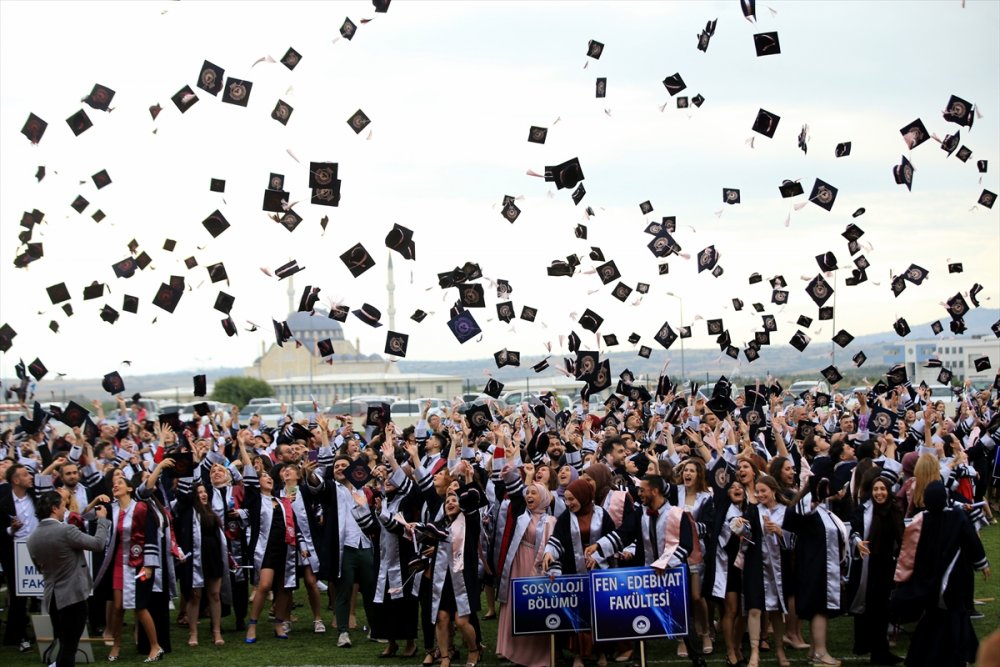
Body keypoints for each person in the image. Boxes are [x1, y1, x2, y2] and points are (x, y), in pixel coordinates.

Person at [893, 481, 990, 667]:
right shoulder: (956, 516)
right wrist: (981, 563)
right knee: (954, 613)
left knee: (936, 614)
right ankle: (958, 653)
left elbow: (908, 549)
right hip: (952, 576)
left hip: (928, 577)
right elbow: (971, 540)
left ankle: (926, 653)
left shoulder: (921, 519)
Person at [27, 490, 111, 667]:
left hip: (51, 599)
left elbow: (40, 568)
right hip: (72, 597)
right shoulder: (66, 530)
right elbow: (97, 544)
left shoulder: (32, 538)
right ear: (54, 508)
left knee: (65, 644)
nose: (65, 510)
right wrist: (102, 520)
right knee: (69, 648)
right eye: (63, 506)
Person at [92, 470, 165, 662]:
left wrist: (149, 565)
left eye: (120, 483)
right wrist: (95, 504)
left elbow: (150, 534)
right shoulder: (112, 509)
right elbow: (85, 516)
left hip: (139, 563)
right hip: (117, 563)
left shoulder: (140, 508)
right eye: (114, 483)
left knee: (139, 607)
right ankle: (116, 646)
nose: (115, 485)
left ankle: (155, 646)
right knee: (117, 607)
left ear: (130, 488)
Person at [847, 474, 904, 665]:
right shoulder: (863, 511)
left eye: (882, 489)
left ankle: (881, 650)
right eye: (876, 489)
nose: (879, 493)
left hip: (888, 566)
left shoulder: (895, 510)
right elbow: (853, 531)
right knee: (874, 610)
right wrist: (857, 542)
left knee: (884, 610)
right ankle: (878, 651)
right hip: (868, 568)